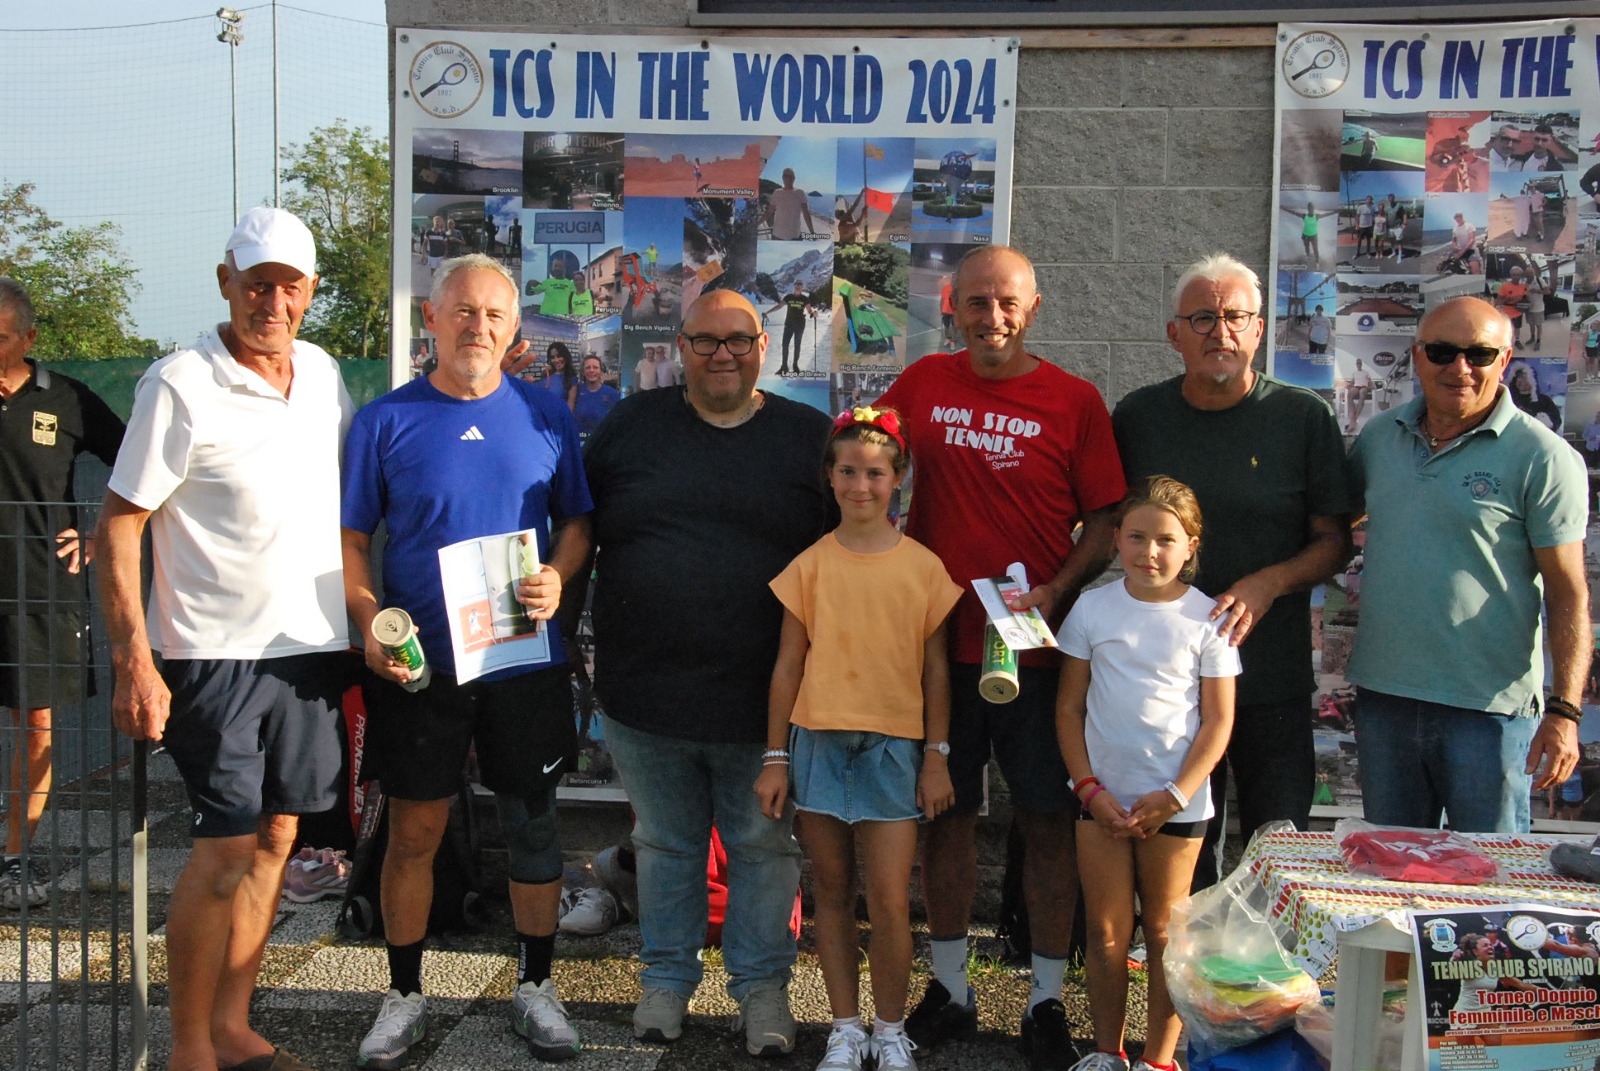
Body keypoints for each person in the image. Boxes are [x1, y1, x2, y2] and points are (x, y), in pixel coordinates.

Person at [99, 208, 351, 1071]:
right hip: (213, 655)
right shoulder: (179, 383)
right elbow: (121, 523)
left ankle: (233, 1027)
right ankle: (187, 1047)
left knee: (279, 838)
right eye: (255, 284)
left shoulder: (323, 374)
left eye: (288, 287)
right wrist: (133, 657)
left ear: (310, 292)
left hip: (310, 651)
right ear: (225, 283)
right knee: (224, 850)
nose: (271, 303)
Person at [876, 246, 1126, 1070]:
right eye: (977, 301)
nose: (993, 317)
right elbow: (863, 462)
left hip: (1033, 649)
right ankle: (952, 987)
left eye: (1008, 302)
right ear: (953, 307)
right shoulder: (921, 384)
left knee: (1047, 821)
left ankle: (1046, 1000)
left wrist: (1056, 589)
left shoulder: (1075, 400)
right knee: (944, 816)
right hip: (937, 648)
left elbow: (1105, 520)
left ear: (1034, 308)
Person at [342, 254, 594, 1068]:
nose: (476, 326)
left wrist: (557, 572)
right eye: (462, 310)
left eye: (492, 314)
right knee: (415, 830)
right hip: (424, 666)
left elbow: (578, 523)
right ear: (431, 317)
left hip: (522, 658)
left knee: (533, 823)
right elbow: (352, 538)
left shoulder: (546, 414)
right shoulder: (385, 419)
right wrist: (368, 622)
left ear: (514, 329)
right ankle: (404, 993)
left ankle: (537, 985)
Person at [583, 289, 834, 1058]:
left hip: (765, 703)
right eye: (705, 341)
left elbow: (849, 556)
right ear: (680, 346)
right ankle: (665, 980)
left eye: (738, 340)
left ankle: (762, 991)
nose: (722, 354)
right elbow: (577, 528)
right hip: (643, 696)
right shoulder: (630, 425)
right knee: (665, 845)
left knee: (762, 849)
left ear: (764, 346)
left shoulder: (809, 438)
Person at [1113, 254, 1352, 892]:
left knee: (1279, 849)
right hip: (1167, 684)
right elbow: (1107, 523)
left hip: (1268, 673)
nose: (1220, 332)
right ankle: (1187, 957)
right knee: (1186, 858)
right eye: (1202, 318)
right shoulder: (1138, 417)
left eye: (1236, 317)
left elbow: (1334, 544)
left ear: (1259, 330)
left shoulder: (1302, 417)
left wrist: (1268, 583)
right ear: (1174, 334)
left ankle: (1272, 960)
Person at [755, 406, 962, 1071]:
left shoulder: (924, 567)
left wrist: (936, 756)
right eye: (848, 471)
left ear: (898, 478)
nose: (861, 485)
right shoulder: (810, 564)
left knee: (892, 901)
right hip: (818, 744)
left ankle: (890, 1029)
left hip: (894, 750)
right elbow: (788, 665)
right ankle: (845, 1027)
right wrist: (776, 757)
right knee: (833, 893)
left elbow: (935, 671)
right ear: (830, 475)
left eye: (875, 473)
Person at [1347, 296, 1590, 833]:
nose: (1460, 368)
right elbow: (1332, 525)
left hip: (1488, 713)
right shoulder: (1380, 438)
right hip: (1386, 701)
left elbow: (1568, 592)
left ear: (1505, 360)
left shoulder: (1543, 456)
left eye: (1479, 354)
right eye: (1442, 351)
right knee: (1389, 872)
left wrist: (1565, 711)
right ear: (1417, 356)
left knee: (1489, 877)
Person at [1055, 476, 1239, 1071]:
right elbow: (1069, 708)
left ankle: (1158, 1060)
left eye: (1165, 540)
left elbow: (1218, 722)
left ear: (1191, 546)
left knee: (1164, 934)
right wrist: (1088, 788)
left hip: (1176, 806)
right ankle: (1106, 1052)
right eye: (1136, 537)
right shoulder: (1092, 608)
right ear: (1115, 539)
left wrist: (1174, 795)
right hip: (1100, 801)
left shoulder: (1209, 617)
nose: (1149, 552)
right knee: (1107, 932)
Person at [0, 278, 125, 911]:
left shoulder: (66, 399)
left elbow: (139, 464)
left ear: (27, 338)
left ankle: (12, 860)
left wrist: (101, 533)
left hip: (41, 592)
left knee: (37, 726)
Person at [766, 281, 812, 376]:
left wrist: (814, 314)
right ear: (794, 287)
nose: (798, 287)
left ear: (802, 288)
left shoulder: (805, 299)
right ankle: (784, 366)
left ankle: (795, 366)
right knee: (785, 345)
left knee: (797, 345)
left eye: (800, 286)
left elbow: (809, 311)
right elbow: (779, 306)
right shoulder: (788, 297)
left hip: (800, 325)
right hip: (789, 324)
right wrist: (767, 312)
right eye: (796, 285)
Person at [573, 354, 620, 440]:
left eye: (595, 367)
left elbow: (617, 422)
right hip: (580, 442)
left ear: (601, 371)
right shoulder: (575, 391)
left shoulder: (612, 394)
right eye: (588, 367)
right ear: (583, 372)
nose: (591, 370)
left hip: (602, 442)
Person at [764, 168, 817, 241]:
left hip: (795, 235)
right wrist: (757, 224)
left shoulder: (800, 193)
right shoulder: (777, 193)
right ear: (782, 177)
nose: (788, 178)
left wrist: (812, 232)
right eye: (786, 176)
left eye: (790, 176)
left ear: (794, 178)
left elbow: (806, 213)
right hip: (777, 235)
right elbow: (769, 212)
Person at [1506, 361, 1561, 432]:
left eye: (1525, 377)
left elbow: (1556, 420)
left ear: (1533, 381)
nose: (1522, 381)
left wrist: (1547, 422)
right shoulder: (1509, 399)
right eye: (1519, 377)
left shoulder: (1544, 400)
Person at [1497, 266, 1529, 344]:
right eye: (1514, 275)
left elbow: (1526, 299)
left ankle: (1517, 341)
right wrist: (1509, 299)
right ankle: (1507, 342)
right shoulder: (1505, 286)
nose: (1516, 277)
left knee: (1517, 327)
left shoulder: (1523, 287)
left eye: (1518, 275)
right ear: (1511, 275)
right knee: (1508, 328)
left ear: (1520, 276)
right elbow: (1498, 300)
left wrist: (1525, 305)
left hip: (1518, 312)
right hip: (1507, 312)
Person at [543, 341, 578, 409]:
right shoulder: (546, 375)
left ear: (565, 356)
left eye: (559, 356)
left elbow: (570, 408)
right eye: (553, 357)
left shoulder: (572, 379)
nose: (556, 360)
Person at [1346, 357, 1373, 433]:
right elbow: (1352, 382)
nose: (1358, 364)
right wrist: (1349, 386)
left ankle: (1355, 418)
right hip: (1356, 386)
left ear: (1361, 364)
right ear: (1356, 364)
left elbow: (1370, 381)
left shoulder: (1366, 372)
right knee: (1349, 395)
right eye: (1357, 363)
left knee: (1362, 394)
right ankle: (1352, 417)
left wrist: (1371, 386)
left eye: (1359, 363)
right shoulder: (1354, 373)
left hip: (1364, 386)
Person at [938, 274, 956, 349]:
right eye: (952, 278)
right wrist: (941, 309)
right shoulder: (945, 288)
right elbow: (942, 300)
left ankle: (952, 342)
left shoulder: (957, 290)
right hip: (945, 311)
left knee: (953, 328)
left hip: (954, 312)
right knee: (946, 327)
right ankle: (947, 339)